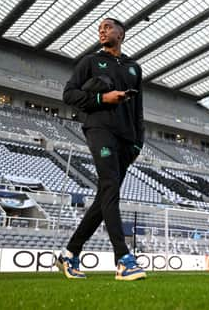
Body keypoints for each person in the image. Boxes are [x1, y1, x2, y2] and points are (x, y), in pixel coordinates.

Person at [56, 18, 146, 281]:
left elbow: (138, 110)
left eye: (107, 27)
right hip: (99, 130)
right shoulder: (90, 62)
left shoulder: (134, 68)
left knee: (105, 196)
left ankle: (69, 253)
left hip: (127, 140)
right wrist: (101, 98)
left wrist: (138, 141)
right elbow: (69, 95)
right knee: (109, 187)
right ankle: (123, 259)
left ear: (121, 33)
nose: (102, 31)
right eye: (100, 29)